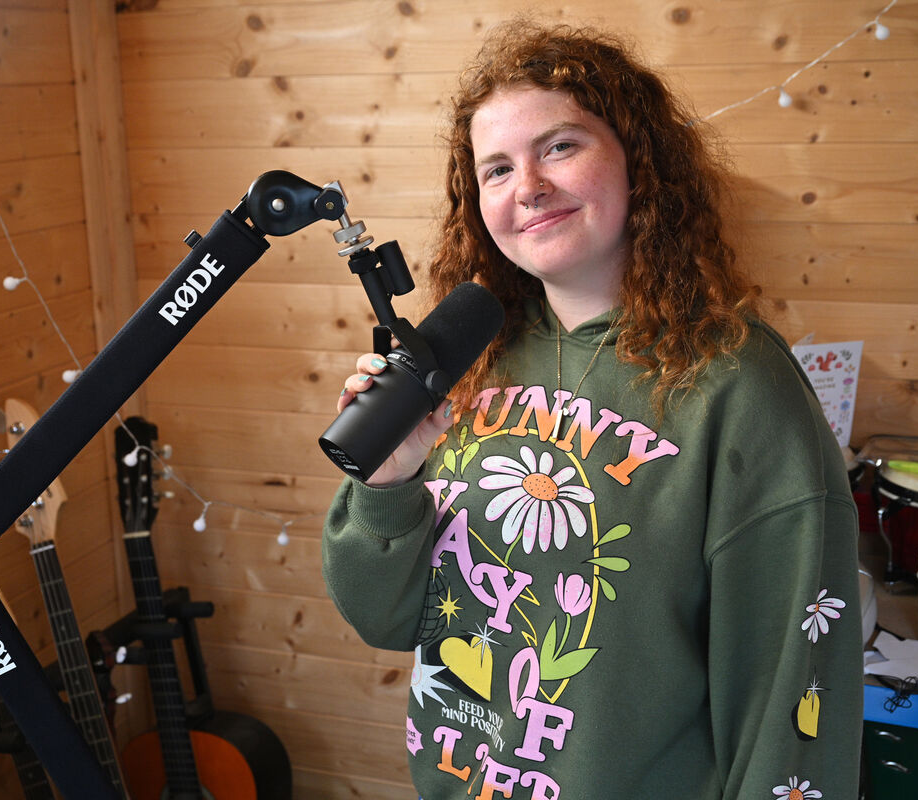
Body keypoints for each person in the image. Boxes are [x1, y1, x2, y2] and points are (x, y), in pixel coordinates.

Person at [321, 18, 862, 799]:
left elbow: (789, 675)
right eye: (497, 169)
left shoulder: (737, 382)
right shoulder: (462, 361)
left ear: (639, 160)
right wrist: (389, 485)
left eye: (560, 146)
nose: (528, 187)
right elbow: (389, 619)